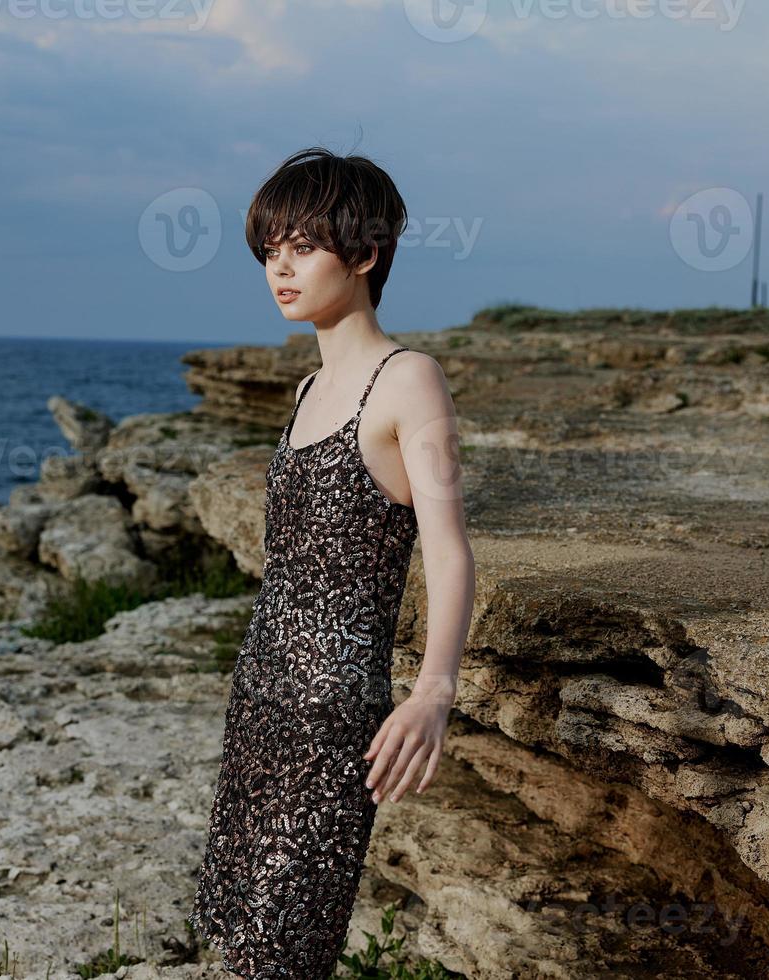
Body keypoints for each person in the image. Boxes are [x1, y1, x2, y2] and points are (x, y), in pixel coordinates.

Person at [188, 145, 475, 978]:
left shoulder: (408, 379)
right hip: (262, 693)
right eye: (269, 250)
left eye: (301, 246)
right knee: (244, 931)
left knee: (286, 945)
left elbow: (449, 548)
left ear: (363, 254)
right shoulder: (310, 389)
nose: (279, 268)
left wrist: (433, 692)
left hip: (330, 713)